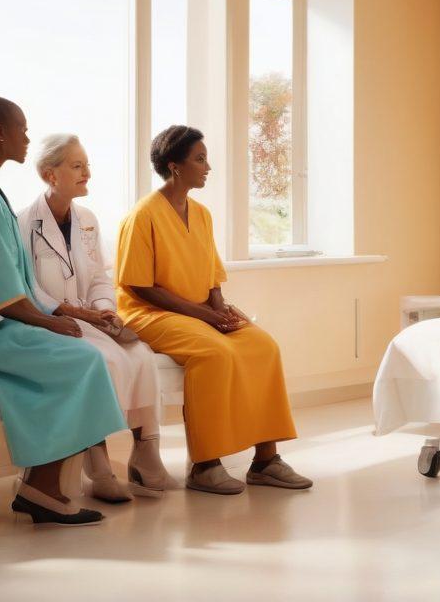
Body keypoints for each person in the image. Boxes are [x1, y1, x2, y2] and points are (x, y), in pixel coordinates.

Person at [0, 96, 125, 526]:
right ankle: (43, 489)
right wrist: (50, 321)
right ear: (0, 132)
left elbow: (10, 283)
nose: (27, 137)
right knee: (84, 360)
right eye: (22, 128)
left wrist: (57, 319)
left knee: (83, 355)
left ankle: (42, 486)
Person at [115, 125, 311, 495]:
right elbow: (139, 286)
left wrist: (219, 307)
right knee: (214, 353)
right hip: (149, 313)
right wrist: (204, 316)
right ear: (175, 167)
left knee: (261, 345)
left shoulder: (201, 214)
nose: (208, 167)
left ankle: (265, 460)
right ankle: (205, 465)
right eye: (200, 159)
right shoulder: (142, 216)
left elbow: (211, 274)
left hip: (200, 309)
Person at [19, 134, 175, 503]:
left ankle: (145, 451)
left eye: (86, 164)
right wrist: (77, 313)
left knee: (141, 356)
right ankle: (97, 460)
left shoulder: (87, 220)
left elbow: (101, 277)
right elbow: (28, 289)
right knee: (103, 362)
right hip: (55, 322)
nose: (87, 172)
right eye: (77, 165)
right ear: (49, 174)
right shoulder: (24, 223)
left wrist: (104, 309)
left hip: (91, 319)